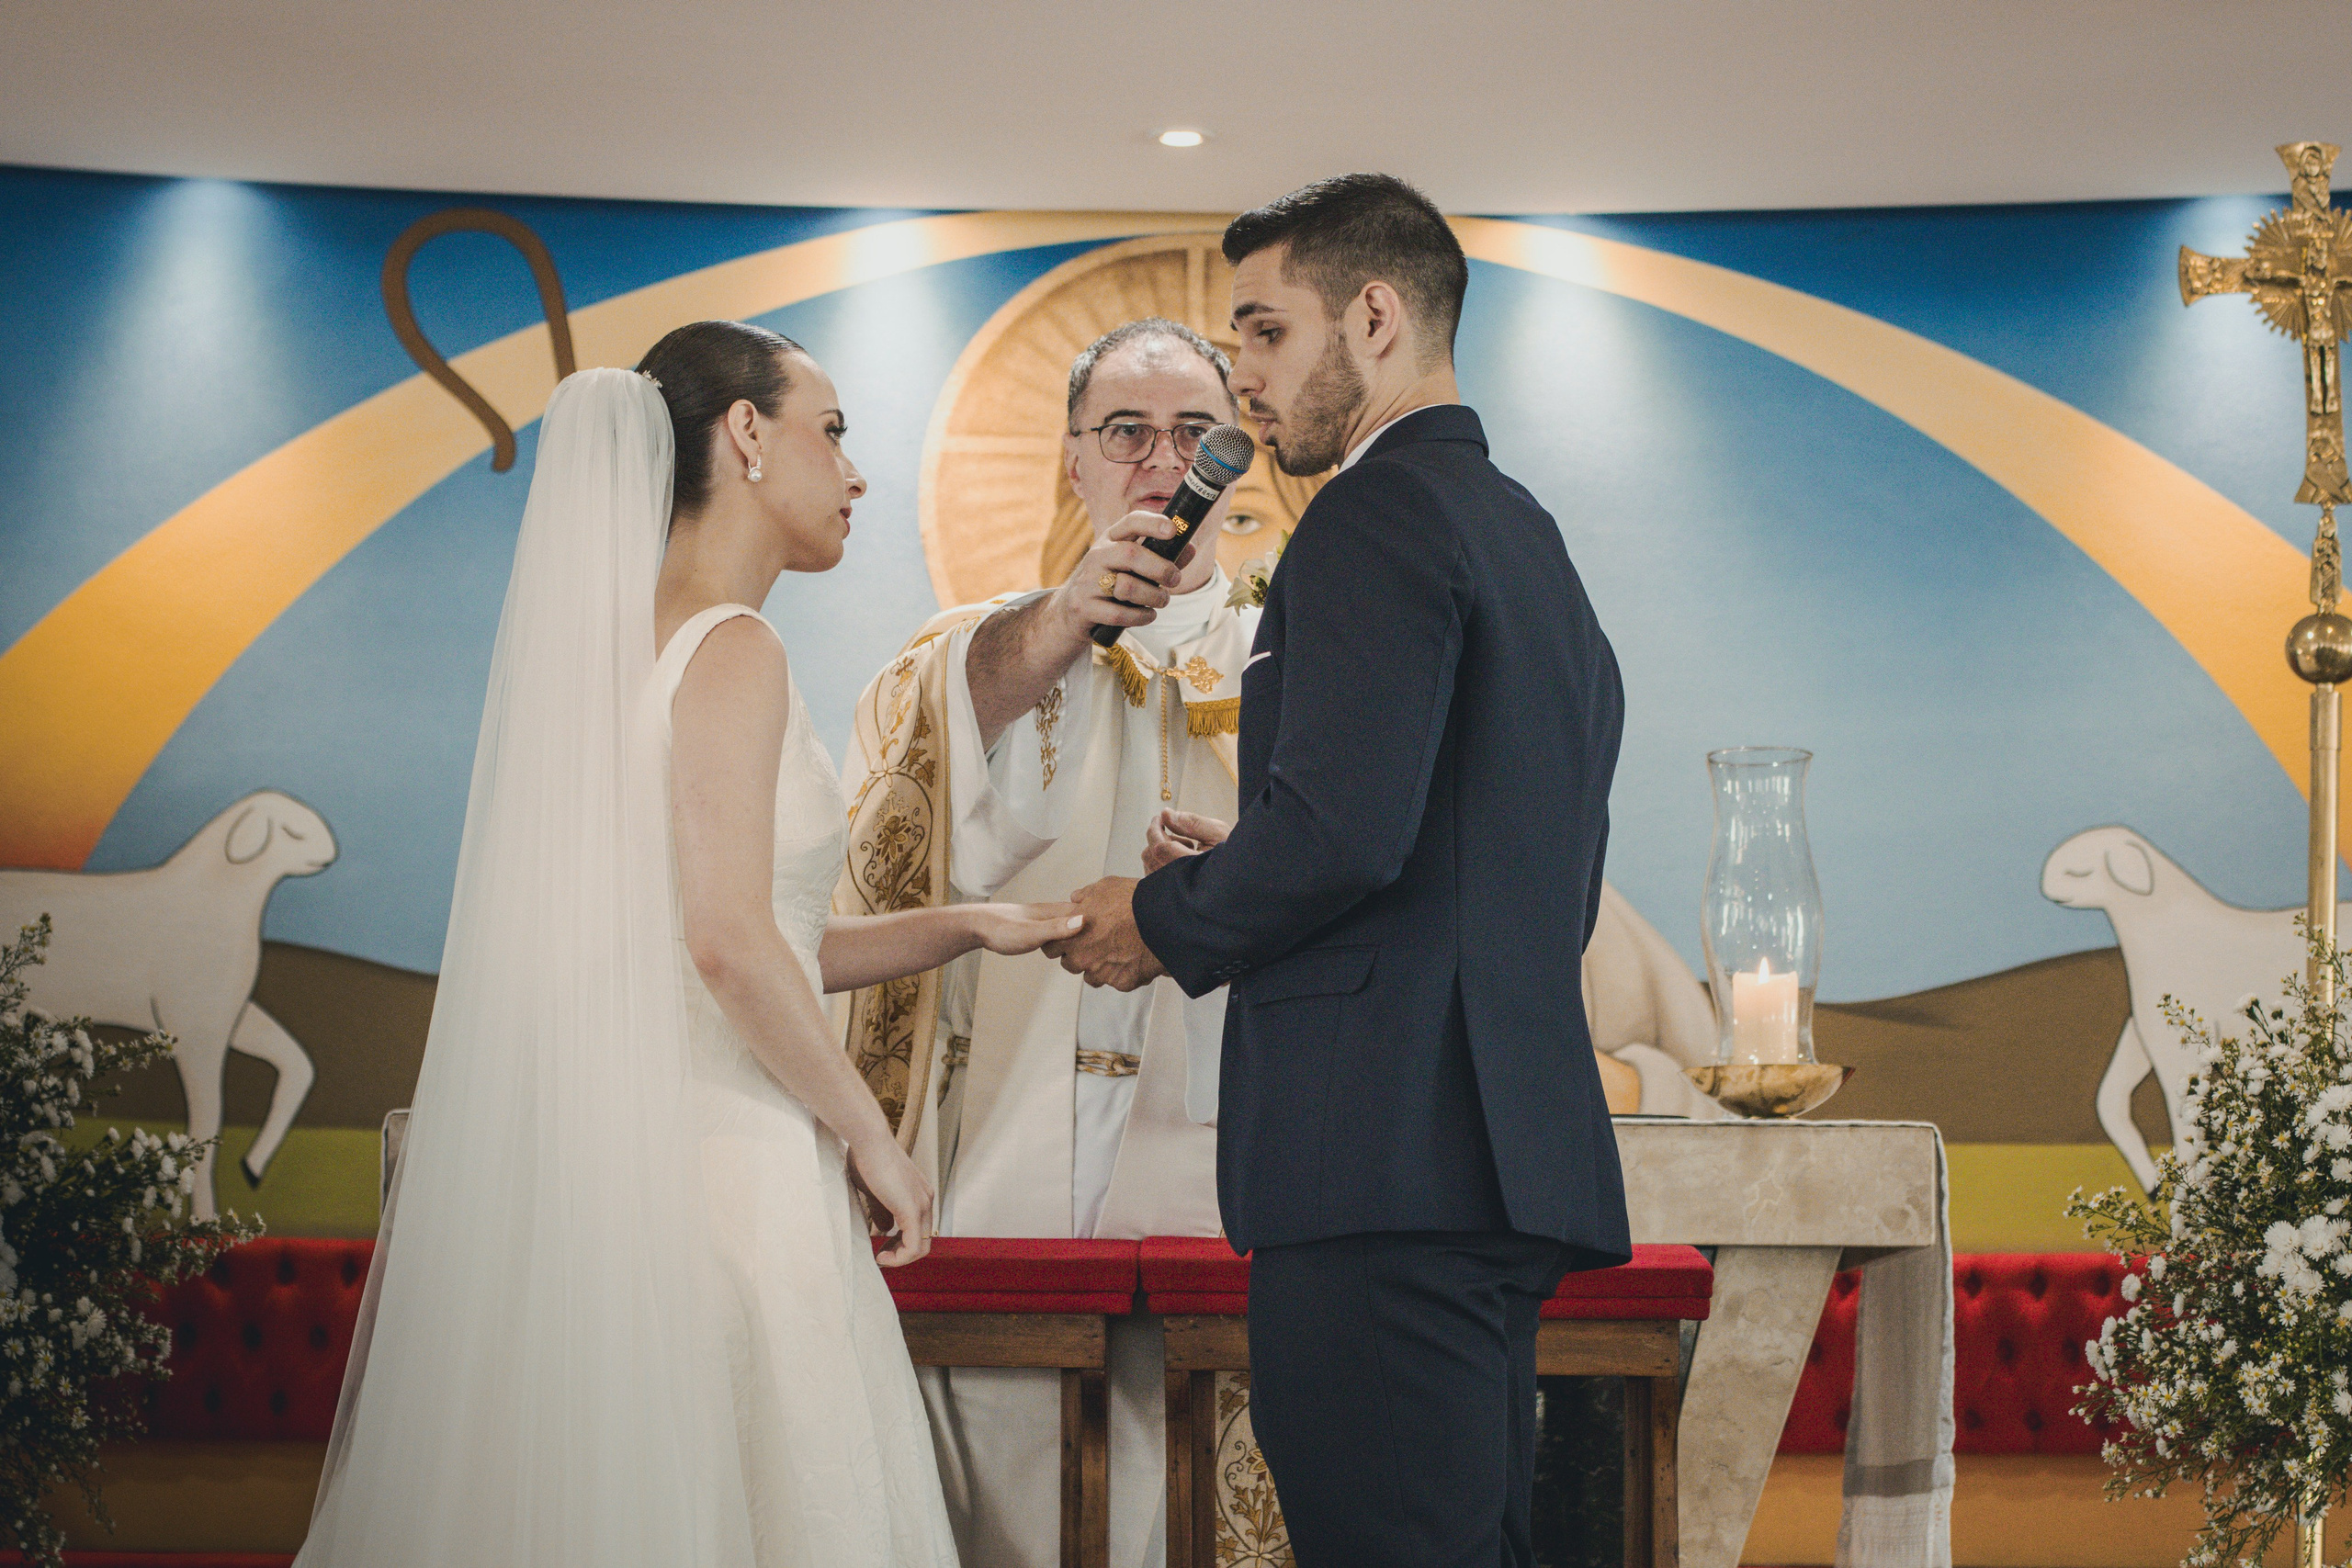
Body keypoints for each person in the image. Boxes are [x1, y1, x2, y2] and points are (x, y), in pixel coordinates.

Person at [298, 324, 1078, 1568]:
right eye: (832, 430)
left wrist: (972, 924)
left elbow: (744, 938)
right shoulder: (734, 646)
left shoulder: (614, 652)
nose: (855, 473)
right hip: (726, 1176)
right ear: (749, 434)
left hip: (616, 1172)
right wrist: (870, 1137)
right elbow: (725, 945)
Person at [1049, 175, 1634, 1567]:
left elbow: (1348, 838)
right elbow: (1497, 849)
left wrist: (1161, 919)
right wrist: (1263, 858)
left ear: (1372, 315)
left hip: (1377, 1159)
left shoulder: (1372, 520)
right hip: (1480, 1156)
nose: (1243, 381)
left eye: (1262, 332)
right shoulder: (1522, 533)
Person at [833, 318, 1254, 1568]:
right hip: (1012, 1156)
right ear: (1073, 461)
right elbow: (908, 796)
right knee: (1016, 1496)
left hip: (1236, 1165)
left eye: (1194, 433)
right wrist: (1063, 620)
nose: (1162, 461)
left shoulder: (1302, 657)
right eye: (1126, 431)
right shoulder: (986, 647)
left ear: (1241, 459)